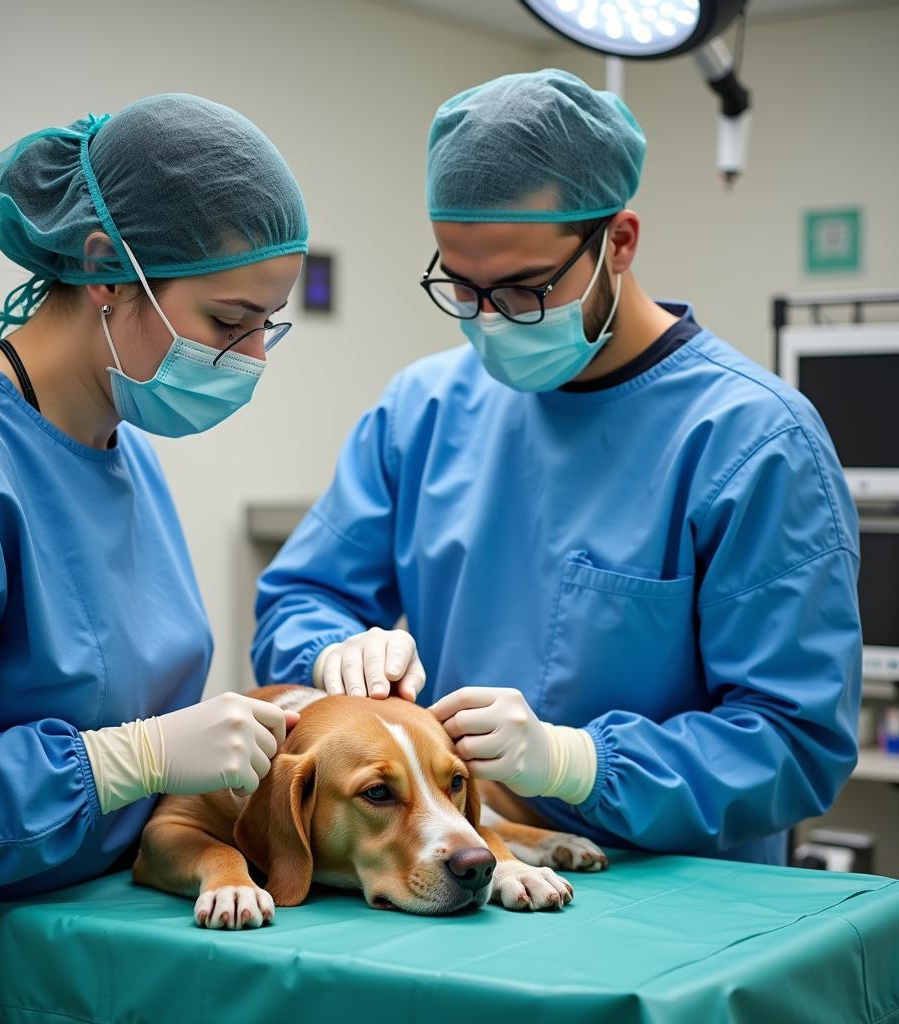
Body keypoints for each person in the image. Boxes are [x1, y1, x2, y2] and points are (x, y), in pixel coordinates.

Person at [252, 70, 861, 865]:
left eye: (523, 289)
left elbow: (793, 739)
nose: (490, 320)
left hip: (683, 901)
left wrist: (581, 763)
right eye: (462, 288)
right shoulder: (425, 409)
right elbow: (301, 596)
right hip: (470, 869)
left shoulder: (753, 440)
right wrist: (334, 652)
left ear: (620, 242)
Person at [0, 93, 307, 1004]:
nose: (254, 354)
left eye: (271, 321)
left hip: (90, 950)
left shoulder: (121, 445)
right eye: (230, 320)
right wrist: (127, 760)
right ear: (107, 268)